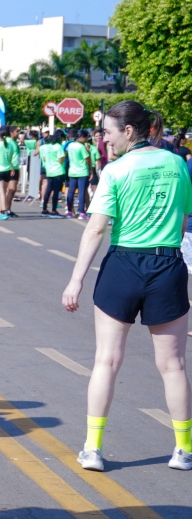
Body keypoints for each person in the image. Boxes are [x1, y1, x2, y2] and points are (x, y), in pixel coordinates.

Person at [62, 101, 192, 473]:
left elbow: (96, 229)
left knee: (106, 360)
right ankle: (183, 450)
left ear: (129, 131)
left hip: (123, 265)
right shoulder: (177, 164)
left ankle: (92, 449)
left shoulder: (115, 170)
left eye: (108, 132)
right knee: (173, 365)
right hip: (167, 263)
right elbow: (183, 218)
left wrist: (76, 280)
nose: (105, 138)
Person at [0, 127, 20, 220]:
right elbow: (10, 158)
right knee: (5, 192)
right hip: (7, 169)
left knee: (3, 192)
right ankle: (2, 211)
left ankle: (3, 211)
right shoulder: (9, 145)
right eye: (17, 131)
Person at [66, 130, 92, 219]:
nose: (87, 140)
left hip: (72, 171)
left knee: (71, 192)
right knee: (81, 192)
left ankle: (69, 211)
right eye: (86, 138)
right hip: (82, 171)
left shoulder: (70, 145)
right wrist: (88, 151)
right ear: (81, 137)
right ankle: (81, 212)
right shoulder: (81, 147)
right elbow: (87, 159)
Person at [41, 134, 68, 217]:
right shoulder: (58, 147)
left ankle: (44, 209)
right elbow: (60, 160)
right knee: (56, 191)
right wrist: (65, 154)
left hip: (49, 170)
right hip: (58, 170)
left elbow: (44, 158)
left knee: (48, 190)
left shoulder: (47, 147)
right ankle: (54, 210)